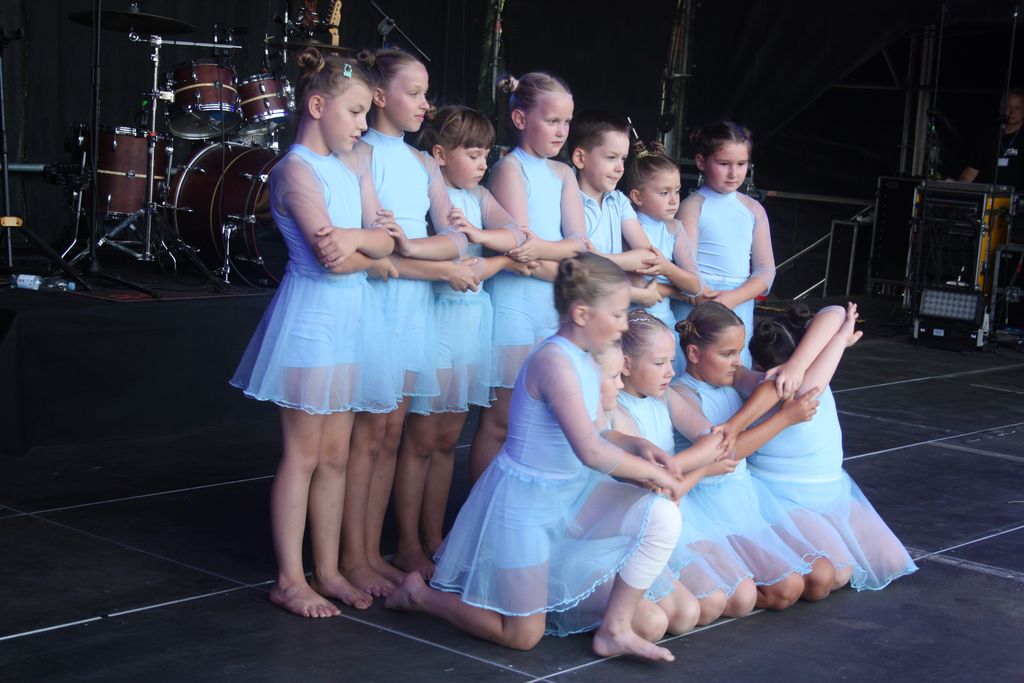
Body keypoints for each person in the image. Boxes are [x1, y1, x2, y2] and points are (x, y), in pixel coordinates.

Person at [386, 253, 701, 662]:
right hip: (528, 506)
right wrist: (655, 474)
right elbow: (589, 449)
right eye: (618, 314)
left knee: (662, 516)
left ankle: (616, 628)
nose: (624, 324)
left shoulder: (586, 357)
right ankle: (420, 597)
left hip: (573, 494)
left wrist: (639, 446)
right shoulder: (555, 362)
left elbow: (600, 432)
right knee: (522, 635)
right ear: (582, 314)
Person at [229, 49, 397, 617]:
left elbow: (386, 239)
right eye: (354, 112)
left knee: (336, 456)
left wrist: (362, 240)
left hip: (353, 322)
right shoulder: (295, 170)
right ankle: (289, 578)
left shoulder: (350, 167)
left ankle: (328, 570)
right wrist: (369, 248)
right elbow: (333, 258)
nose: (363, 124)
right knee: (303, 455)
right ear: (318, 106)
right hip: (313, 323)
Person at [328, 47, 473, 598]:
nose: (424, 104)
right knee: (368, 436)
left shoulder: (423, 163)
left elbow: (454, 237)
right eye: (414, 93)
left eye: (426, 93)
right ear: (379, 96)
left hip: (414, 311)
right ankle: (351, 557)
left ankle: (372, 551)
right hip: (375, 306)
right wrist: (430, 265)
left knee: (390, 434)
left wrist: (411, 245)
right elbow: (373, 257)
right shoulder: (358, 153)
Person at [394, 105, 528, 578]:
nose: (481, 164)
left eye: (486, 155)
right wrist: (462, 243)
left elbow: (516, 233)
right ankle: (407, 542)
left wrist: (478, 233)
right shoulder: (431, 195)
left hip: (473, 323)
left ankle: (435, 536)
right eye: (472, 154)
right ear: (439, 154)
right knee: (421, 439)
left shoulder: (479, 196)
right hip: (436, 318)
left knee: (449, 439)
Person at [672, 301, 838, 610]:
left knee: (822, 577)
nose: (737, 362)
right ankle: (724, 587)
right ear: (694, 354)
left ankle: (740, 578)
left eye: (739, 352)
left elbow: (782, 385)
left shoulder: (733, 378)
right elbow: (721, 451)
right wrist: (783, 419)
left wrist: (798, 364)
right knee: (785, 589)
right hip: (709, 504)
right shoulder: (682, 393)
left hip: (746, 498)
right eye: (727, 354)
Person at [468, 71, 590, 482]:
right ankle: (482, 508)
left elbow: (579, 244)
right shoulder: (509, 169)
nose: (561, 131)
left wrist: (542, 247)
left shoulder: (564, 174)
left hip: (551, 306)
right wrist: (554, 255)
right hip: (515, 307)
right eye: (552, 120)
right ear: (521, 119)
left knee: (540, 420)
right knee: (502, 420)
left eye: (566, 122)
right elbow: (519, 252)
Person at [747, 302, 919, 591]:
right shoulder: (772, 385)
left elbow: (835, 311)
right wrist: (839, 340)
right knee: (838, 574)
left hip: (830, 489)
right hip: (785, 495)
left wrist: (798, 363)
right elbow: (836, 320)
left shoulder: (811, 372)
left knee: (889, 562)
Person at [614, 310, 760, 624]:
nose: (671, 371)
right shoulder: (616, 408)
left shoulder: (664, 396)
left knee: (743, 597)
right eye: (660, 363)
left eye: (671, 361)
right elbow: (648, 479)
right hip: (638, 516)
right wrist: (701, 469)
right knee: (698, 610)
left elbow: (715, 441)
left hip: (680, 506)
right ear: (625, 365)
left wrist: (673, 468)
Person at [675, 122, 776, 367]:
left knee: (732, 370)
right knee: (690, 367)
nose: (734, 173)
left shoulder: (754, 209)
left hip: (738, 302)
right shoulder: (692, 207)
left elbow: (766, 270)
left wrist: (734, 297)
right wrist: (706, 296)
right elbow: (686, 266)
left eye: (741, 164)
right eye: (724, 164)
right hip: (700, 300)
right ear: (701, 162)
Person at [565, 109, 665, 308]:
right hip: (580, 307)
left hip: (613, 308)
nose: (620, 168)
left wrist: (600, 259)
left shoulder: (619, 201)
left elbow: (649, 256)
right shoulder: (567, 201)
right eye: (611, 157)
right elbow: (575, 268)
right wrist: (623, 263)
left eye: (623, 158)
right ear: (580, 158)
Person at [624, 140, 703, 376]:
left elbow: (695, 286)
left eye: (677, 191)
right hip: (630, 323)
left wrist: (667, 268)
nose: (674, 200)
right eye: (664, 192)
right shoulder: (627, 227)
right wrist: (674, 289)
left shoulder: (674, 229)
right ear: (637, 197)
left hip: (665, 322)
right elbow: (638, 284)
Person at [958, 89, 1024, 192]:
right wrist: (958, 187)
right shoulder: (989, 137)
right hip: (988, 197)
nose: (1012, 112)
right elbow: (970, 172)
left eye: (1018, 108)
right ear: (1001, 108)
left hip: (1017, 198)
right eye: (1008, 107)